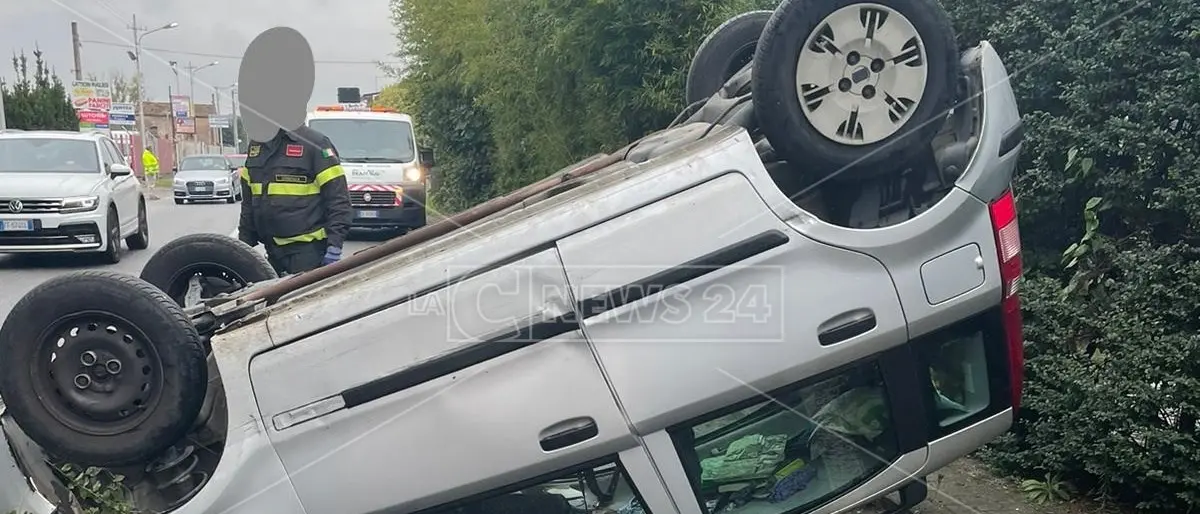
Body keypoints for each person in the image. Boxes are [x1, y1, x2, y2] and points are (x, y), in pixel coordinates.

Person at [234, 26, 352, 275]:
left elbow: (338, 201)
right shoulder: (257, 147)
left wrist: (334, 247)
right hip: (271, 253)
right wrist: (240, 249)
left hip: (308, 254)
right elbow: (249, 203)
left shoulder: (316, 145)